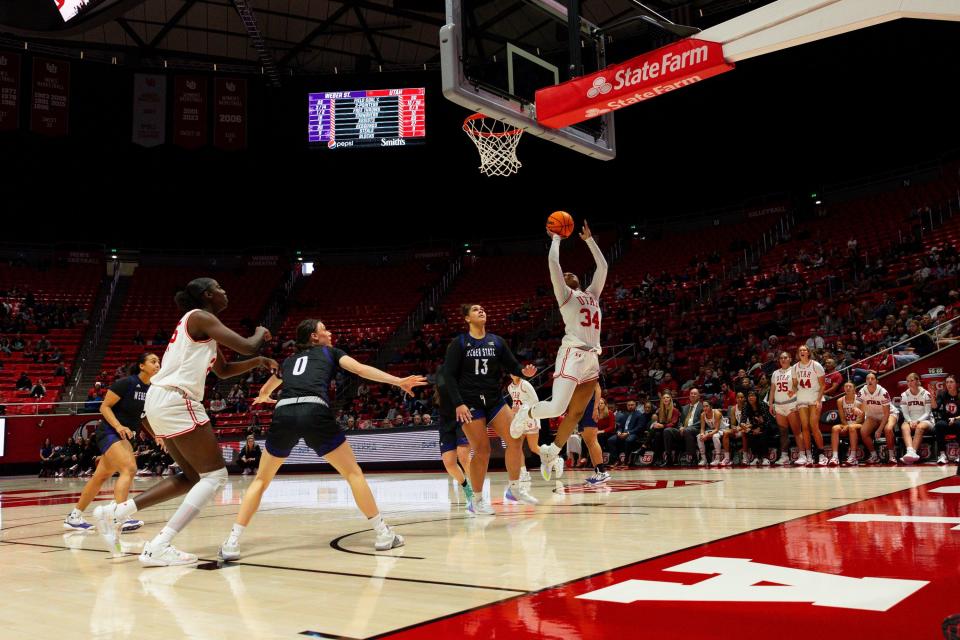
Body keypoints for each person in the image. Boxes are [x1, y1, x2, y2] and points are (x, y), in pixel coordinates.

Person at [92, 278, 278, 566]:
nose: (225, 290)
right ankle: (159, 545)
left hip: (160, 400)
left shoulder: (201, 329)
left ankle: (115, 513)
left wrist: (258, 362)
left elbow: (225, 370)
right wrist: (260, 332)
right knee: (216, 476)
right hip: (177, 399)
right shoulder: (200, 317)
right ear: (207, 295)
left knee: (192, 477)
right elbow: (246, 345)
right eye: (220, 287)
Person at [219, 319, 426, 560]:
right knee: (352, 473)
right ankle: (383, 533)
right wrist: (398, 381)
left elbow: (267, 389)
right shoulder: (330, 353)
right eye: (324, 329)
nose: (329, 332)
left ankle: (232, 542)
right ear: (314, 338)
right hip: (314, 409)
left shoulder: (289, 361)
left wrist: (264, 397)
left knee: (261, 480)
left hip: (284, 411)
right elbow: (359, 369)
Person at [510, 220, 607, 481]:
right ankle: (526, 412)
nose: (567, 274)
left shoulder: (592, 295)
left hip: (592, 359)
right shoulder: (566, 297)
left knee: (575, 413)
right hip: (572, 355)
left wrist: (589, 240)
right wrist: (556, 239)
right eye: (563, 276)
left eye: (569, 275)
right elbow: (555, 265)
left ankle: (551, 452)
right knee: (556, 408)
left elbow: (603, 267)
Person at [441, 304, 538, 514]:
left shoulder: (497, 341)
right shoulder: (459, 344)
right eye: (475, 310)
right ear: (467, 318)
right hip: (470, 402)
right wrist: (458, 403)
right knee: (482, 450)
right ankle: (476, 500)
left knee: (515, 438)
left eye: (483, 309)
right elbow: (448, 375)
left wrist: (524, 371)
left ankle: (514, 488)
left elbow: (513, 366)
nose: (481, 311)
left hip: (494, 400)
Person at [792, 345, 828, 466]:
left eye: (804, 350)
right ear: (798, 353)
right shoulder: (795, 367)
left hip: (814, 398)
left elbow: (823, 385)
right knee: (805, 427)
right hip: (802, 398)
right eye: (800, 350)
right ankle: (809, 455)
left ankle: (822, 454)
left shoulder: (816, 365)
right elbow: (795, 384)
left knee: (814, 425)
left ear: (808, 352)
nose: (802, 352)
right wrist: (792, 390)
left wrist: (818, 400)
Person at [769, 352, 803, 465]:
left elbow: (798, 387)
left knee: (796, 431)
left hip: (791, 404)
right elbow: (773, 390)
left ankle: (803, 455)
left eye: (785, 357)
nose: (783, 359)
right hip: (778, 405)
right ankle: (784, 456)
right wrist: (770, 404)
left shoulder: (794, 370)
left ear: (790, 359)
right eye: (781, 358)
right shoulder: (775, 373)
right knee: (783, 432)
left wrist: (796, 400)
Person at [899, 372, 933, 464]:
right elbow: (905, 412)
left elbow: (927, 412)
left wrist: (918, 421)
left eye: (912, 380)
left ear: (917, 381)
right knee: (904, 426)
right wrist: (910, 421)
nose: (909, 383)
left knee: (920, 427)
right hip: (910, 420)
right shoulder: (904, 395)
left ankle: (912, 453)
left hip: (926, 420)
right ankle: (910, 451)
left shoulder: (926, 394)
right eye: (907, 381)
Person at [830, 381, 863, 466]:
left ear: (854, 389)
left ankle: (853, 457)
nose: (847, 388)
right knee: (835, 428)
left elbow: (861, 418)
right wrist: (846, 425)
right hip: (846, 424)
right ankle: (835, 457)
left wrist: (849, 426)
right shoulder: (840, 400)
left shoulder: (860, 399)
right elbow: (842, 418)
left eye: (850, 386)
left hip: (858, 424)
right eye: (846, 386)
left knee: (852, 427)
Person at [932, 375, 960, 466]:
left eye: (951, 382)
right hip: (946, 421)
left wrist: (955, 418)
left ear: (956, 384)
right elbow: (935, 408)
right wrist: (932, 397)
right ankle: (942, 454)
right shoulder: (942, 394)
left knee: (958, 424)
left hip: (958, 420)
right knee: (939, 425)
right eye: (947, 382)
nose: (949, 384)